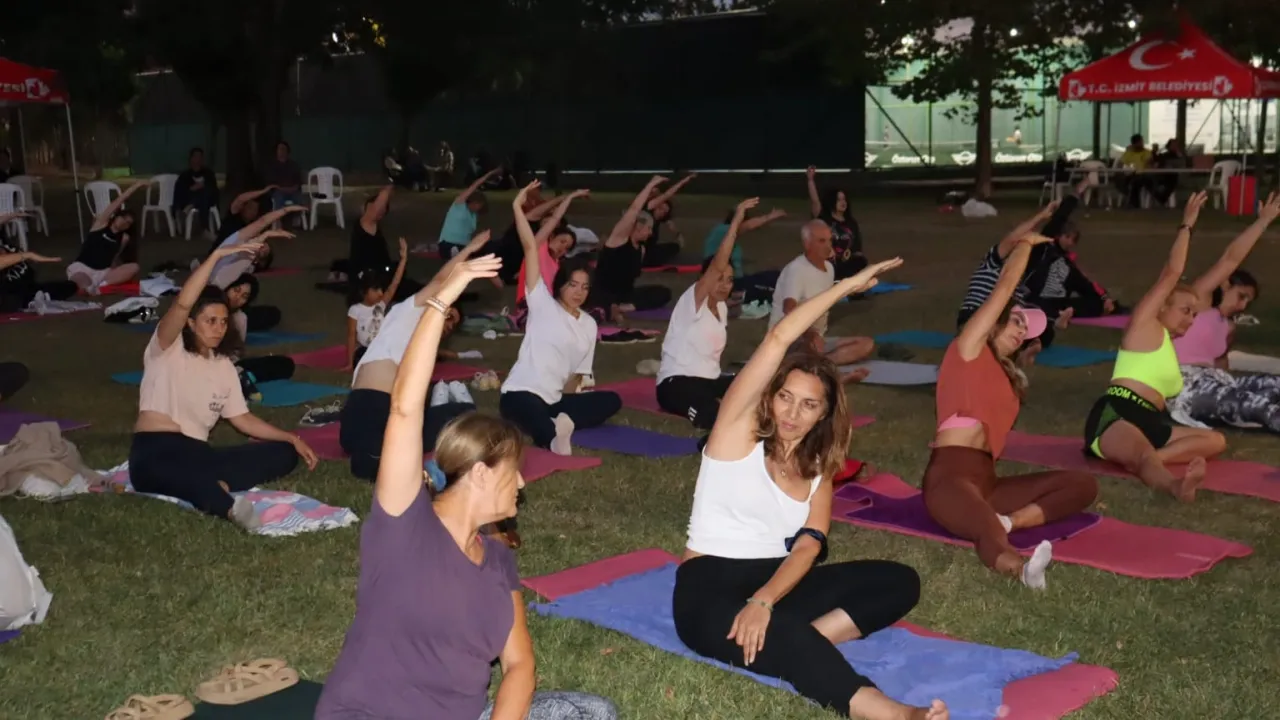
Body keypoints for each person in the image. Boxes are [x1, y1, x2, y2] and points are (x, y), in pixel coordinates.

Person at [315, 254, 617, 720]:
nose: (522, 482)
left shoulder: (496, 558)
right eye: (513, 471)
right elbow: (404, 410)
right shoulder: (405, 525)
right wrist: (440, 302)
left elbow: (520, 666)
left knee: (593, 711)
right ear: (480, 473)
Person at [672, 255, 946, 720]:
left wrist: (764, 600)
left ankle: (802, 641)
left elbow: (808, 546)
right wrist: (846, 286)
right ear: (770, 396)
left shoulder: (819, 467)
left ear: (824, 414)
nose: (792, 414)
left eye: (808, 405)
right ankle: (894, 714)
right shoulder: (733, 437)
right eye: (785, 397)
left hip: (778, 581)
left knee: (899, 581)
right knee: (788, 636)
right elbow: (779, 338)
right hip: (708, 589)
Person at [924, 232, 1098, 588]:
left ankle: (1011, 522)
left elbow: (997, 395)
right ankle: (1020, 570)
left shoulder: (1005, 374)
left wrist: (1020, 364)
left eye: (1026, 329)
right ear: (996, 320)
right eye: (1016, 321)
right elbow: (1004, 287)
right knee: (984, 526)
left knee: (1083, 484)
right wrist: (1024, 246)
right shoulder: (967, 348)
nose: (1022, 331)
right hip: (950, 477)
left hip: (988, 481)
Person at [127, 241, 318, 530]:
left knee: (283, 453)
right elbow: (182, 303)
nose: (218, 328)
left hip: (198, 454)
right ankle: (227, 506)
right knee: (187, 478)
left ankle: (215, 483)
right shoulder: (167, 347)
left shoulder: (223, 365)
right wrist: (216, 256)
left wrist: (291, 438)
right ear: (191, 323)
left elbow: (242, 419)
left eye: (223, 322)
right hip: (157, 451)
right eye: (210, 321)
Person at [1083, 191, 1225, 502]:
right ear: (1161, 306)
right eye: (1185, 311)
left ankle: (1151, 460)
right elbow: (1172, 273)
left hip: (1152, 420)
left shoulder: (1167, 347)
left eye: (1194, 314)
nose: (1190, 319)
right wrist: (1187, 225)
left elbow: (1228, 263)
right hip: (1118, 412)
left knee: (1216, 441)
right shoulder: (1144, 328)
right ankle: (1173, 486)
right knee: (1143, 455)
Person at [340, 236, 490, 481]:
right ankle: (446, 404)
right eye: (449, 316)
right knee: (464, 414)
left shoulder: (419, 341)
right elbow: (440, 281)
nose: (448, 325)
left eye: (452, 326)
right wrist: (469, 251)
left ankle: (444, 404)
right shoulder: (407, 311)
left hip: (384, 414)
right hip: (373, 405)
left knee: (462, 416)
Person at [500, 182, 622, 454]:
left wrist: (571, 402)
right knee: (532, 413)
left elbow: (576, 376)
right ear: (561, 284)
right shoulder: (542, 303)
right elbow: (530, 247)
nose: (579, 292)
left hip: (554, 400)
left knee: (612, 400)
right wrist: (517, 206)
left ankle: (559, 421)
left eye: (585, 287)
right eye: (573, 285)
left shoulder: (589, 324)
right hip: (521, 393)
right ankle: (553, 439)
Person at [1169, 192, 1280, 433]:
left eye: (1248, 302)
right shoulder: (1197, 304)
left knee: (1273, 385)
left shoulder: (1228, 327)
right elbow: (1230, 259)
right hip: (1185, 384)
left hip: (1215, 382)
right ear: (1225, 284)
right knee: (1261, 407)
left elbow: (1221, 365)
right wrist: (1263, 221)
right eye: (1241, 296)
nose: (1242, 306)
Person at [655, 198, 755, 430]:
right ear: (705, 278)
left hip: (710, 381)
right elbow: (718, 264)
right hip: (676, 383)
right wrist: (736, 221)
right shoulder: (693, 299)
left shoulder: (721, 307)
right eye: (719, 279)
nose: (725, 285)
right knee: (714, 414)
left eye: (729, 280)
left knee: (757, 387)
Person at [769, 221, 875, 381]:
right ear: (807, 244)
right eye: (821, 241)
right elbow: (788, 309)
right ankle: (821, 368)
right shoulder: (797, 270)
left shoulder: (829, 269)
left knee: (866, 344)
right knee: (814, 347)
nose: (828, 246)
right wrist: (810, 334)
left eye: (830, 240)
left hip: (816, 340)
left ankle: (818, 364)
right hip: (790, 339)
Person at [588, 177, 675, 322]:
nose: (651, 233)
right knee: (598, 298)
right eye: (648, 228)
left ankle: (623, 307)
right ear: (638, 227)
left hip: (624, 296)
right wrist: (651, 184)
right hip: (602, 292)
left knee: (664, 292)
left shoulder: (641, 249)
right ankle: (612, 307)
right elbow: (634, 209)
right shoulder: (618, 239)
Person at [66, 180, 148, 294]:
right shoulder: (101, 224)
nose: (124, 222)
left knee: (134, 267)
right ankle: (90, 287)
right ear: (116, 216)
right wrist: (136, 186)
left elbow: (113, 257)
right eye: (123, 218)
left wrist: (116, 271)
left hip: (103, 272)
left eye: (128, 223)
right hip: (83, 268)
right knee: (81, 284)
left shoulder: (124, 238)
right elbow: (119, 201)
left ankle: (101, 285)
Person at [513, 190, 589, 306]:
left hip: (549, 306)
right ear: (552, 236)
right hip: (529, 305)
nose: (563, 248)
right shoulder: (537, 248)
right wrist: (571, 196)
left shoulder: (557, 264)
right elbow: (555, 218)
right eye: (562, 241)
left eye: (567, 248)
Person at [343, 239, 409, 372]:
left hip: (383, 346)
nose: (380, 293)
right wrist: (350, 363)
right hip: (366, 350)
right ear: (364, 291)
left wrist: (403, 259)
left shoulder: (380, 304)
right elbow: (351, 336)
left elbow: (395, 283)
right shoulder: (355, 310)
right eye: (375, 289)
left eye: (381, 289)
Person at [701, 205, 787, 303]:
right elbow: (748, 226)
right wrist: (770, 217)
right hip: (728, 283)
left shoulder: (725, 234)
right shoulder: (723, 231)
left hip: (739, 280)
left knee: (775, 275)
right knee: (767, 289)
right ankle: (737, 296)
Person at [206, 207, 306, 290]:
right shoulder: (237, 241)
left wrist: (266, 234)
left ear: (256, 260)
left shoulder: (245, 260)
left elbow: (252, 247)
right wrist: (286, 210)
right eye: (264, 245)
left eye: (262, 251)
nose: (261, 246)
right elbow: (262, 222)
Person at [806, 166, 867, 280]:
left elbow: (857, 248)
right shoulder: (824, 219)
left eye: (844, 199)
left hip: (845, 264)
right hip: (827, 262)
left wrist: (853, 256)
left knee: (860, 262)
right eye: (839, 200)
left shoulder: (851, 222)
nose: (843, 202)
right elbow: (815, 201)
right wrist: (810, 180)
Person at [1, 221, 72, 312]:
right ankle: (31, 301)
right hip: (13, 295)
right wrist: (29, 255)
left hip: (23, 285)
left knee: (68, 286)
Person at [207, 185, 276, 273]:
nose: (252, 212)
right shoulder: (233, 217)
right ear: (243, 208)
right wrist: (263, 191)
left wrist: (265, 250)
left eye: (255, 210)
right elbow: (240, 198)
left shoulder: (253, 226)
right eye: (250, 208)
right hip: (220, 254)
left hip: (237, 256)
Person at [438, 168, 502, 259]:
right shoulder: (459, 204)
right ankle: (455, 253)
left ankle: (459, 253)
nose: (477, 207)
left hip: (464, 246)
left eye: (480, 205)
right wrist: (490, 173)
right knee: (452, 250)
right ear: (472, 201)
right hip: (447, 244)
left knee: (494, 245)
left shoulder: (474, 216)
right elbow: (475, 185)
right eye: (477, 204)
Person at [641, 173, 696, 267]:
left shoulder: (659, 218)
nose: (662, 211)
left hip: (650, 250)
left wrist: (679, 235)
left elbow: (671, 225)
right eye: (661, 208)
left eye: (665, 211)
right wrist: (684, 181)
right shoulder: (648, 209)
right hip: (641, 252)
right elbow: (667, 194)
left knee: (672, 247)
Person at [174, 147, 220, 238]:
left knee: (205, 194)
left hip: (208, 200)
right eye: (195, 157)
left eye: (200, 157)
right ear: (190, 159)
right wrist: (192, 189)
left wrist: (203, 187)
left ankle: (192, 205)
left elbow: (214, 189)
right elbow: (180, 191)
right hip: (190, 198)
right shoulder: (185, 175)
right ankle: (204, 229)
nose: (197, 159)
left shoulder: (208, 173)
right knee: (202, 197)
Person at [264, 141, 304, 213]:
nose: (282, 151)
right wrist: (282, 189)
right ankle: (278, 218)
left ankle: (299, 217)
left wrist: (293, 188)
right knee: (278, 197)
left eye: (284, 149)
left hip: (293, 191)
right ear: (276, 151)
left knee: (300, 198)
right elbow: (271, 184)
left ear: (287, 151)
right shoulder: (271, 166)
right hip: (279, 191)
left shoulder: (294, 165)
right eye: (280, 149)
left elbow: (298, 181)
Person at [1118, 134, 1155, 209]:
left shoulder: (1147, 152)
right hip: (1129, 175)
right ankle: (1132, 202)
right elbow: (1120, 164)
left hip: (1143, 176)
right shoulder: (1128, 153)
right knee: (1123, 181)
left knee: (1135, 182)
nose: (1142, 144)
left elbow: (1150, 164)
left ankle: (1133, 203)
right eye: (1140, 142)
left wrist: (1149, 164)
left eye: (1142, 142)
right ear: (1134, 144)